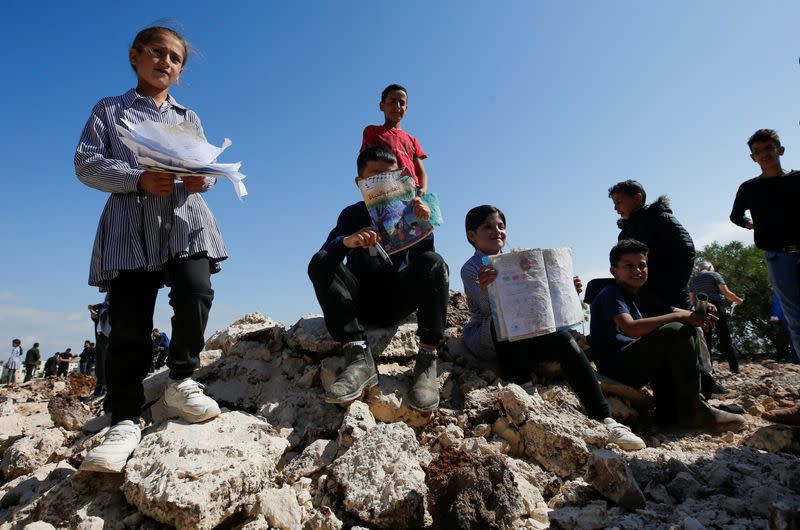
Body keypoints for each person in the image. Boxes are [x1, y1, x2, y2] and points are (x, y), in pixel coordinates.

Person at [75, 26, 223, 473]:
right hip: (130, 226)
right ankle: (124, 417)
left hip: (183, 222)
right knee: (129, 323)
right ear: (135, 57)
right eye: (157, 53)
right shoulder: (109, 110)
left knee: (196, 291)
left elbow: (205, 167)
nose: (166, 62)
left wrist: (204, 179)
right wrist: (136, 178)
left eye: (175, 58)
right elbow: (86, 162)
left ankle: (180, 379)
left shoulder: (187, 117)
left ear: (180, 72)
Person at [460, 205, 645, 450]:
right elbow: (485, 310)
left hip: (526, 334)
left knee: (563, 340)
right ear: (472, 235)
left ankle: (604, 418)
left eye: (501, 226)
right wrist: (487, 289)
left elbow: (539, 301)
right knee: (502, 317)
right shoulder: (472, 268)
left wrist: (566, 288)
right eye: (488, 227)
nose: (497, 231)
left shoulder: (519, 260)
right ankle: (525, 389)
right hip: (489, 335)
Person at [308, 145, 448, 412]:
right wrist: (347, 242)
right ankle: (358, 356)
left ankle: (428, 358)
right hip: (360, 300)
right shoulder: (352, 214)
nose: (383, 183)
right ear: (360, 182)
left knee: (435, 263)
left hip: (398, 301)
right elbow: (324, 259)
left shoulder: (411, 210)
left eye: (390, 175)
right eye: (374, 176)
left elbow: (426, 266)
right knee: (319, 263)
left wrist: (423, 225)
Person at [590, 239, 745, 431]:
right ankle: (691, 411)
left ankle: (671, 410)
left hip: (636, 364)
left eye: (642, 265)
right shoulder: (611, 293)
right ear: (614, 271)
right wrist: (680, 316)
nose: (637, 271)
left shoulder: (643, 296)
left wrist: (699, 312)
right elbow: (631, 328)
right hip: (616, 368)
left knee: (685, 329)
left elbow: (680, 312)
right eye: (629, 266)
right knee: (674, 331)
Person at [730, 128, 800, 358]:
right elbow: (736, 215)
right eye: (757, 151)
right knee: (795, 317)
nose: (764, 154)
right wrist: (750, 224)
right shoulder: (749, 188)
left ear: (780, 149)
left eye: (768, 148)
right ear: (752, 157)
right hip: (778, 257)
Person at [609, 180, 695, 309]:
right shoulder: (624, 234)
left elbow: (686, 252)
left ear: (637, 198)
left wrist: (669, 286)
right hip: (641, 296)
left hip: (671, 297)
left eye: (619, 202)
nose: (615, 208)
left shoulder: (661, 219)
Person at [361, 84, 429, 195]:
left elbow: (421, 172)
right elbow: (366, 163)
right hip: (386, 189)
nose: (397, 106)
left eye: (401, 103)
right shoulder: (372, 131)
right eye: (392, 102)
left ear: (406, 109)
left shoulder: (412, 140)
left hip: (412, 190)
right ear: (381, 106)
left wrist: (423, 188)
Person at [689, 261, 744, 373]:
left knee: (706, 339)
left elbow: (691, 299)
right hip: (716, 307)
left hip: (701, 308)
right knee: (725, 338)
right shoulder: (714, 275)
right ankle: (734, 369)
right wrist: (737, 300)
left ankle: (709, 369)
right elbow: (726, 292)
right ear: (709, 267)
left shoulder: (693, 280)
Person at [89, 298, 111, 397]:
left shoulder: (108, 307)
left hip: (108, 338)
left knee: (106, 363)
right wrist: (92, 312)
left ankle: (106, 386)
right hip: (99, 339)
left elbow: (106, 305)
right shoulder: (101, 308)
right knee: (99, 364)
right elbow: (96, 319)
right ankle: (100, 385)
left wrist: (95, 306)